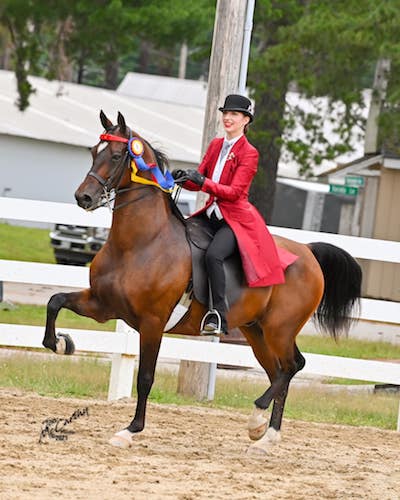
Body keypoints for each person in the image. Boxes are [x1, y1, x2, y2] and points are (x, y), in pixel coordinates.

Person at [172, 94, 297, 335]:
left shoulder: (249, 153)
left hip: (234, 219)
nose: (228, 118)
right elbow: (200, 180)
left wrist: (203, 182)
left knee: (213, 256)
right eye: (226, 113)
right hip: (210, 213)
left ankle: (218, 314)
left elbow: (234, 192)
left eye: (235, 115)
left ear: (245, 120)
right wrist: (183, 179)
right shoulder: (216, 145)